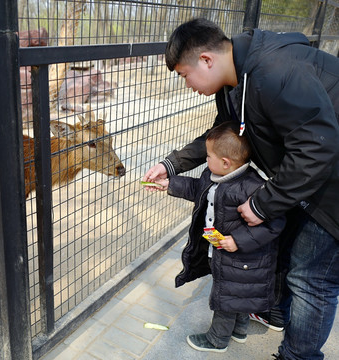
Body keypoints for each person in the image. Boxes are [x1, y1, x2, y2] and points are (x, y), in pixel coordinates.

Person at [143, 18, 339, 360]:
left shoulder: (275, 72)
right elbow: (225, 133)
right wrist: (172, 164)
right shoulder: (238, 82)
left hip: (331, 182)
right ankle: (276, 311)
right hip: (312, 174)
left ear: (206, 59)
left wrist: (264, 203)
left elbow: (317, 148)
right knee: (291, 257)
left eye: (184, 75)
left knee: (312, 279)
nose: (187, 84)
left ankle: (298, 356)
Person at [153, 122, 286, 353]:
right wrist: (170, 184)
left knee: (227, 298)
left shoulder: (252, 187)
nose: (206, 160)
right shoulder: (214, 175)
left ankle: (217, 340)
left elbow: (274, 224)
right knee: (239, 295)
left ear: (226, 162)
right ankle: (239, 330)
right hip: (223, 253)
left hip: (242, 256)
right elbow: (197, 189)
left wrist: (238, 240)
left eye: (208, 156)